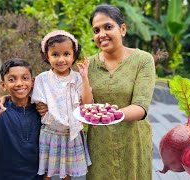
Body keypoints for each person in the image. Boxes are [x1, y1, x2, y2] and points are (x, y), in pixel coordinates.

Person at [86, 4, 156, 180]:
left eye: (108, 27)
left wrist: (108, 115)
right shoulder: (88, 65)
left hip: (133, 141)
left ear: (122, 29)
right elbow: (83, 105)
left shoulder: (143, 60)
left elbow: (141, 107)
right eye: (96, 30)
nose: (101, 34)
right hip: (100, 143)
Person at [31, 30, 92, 180]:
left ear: (74, 55)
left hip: (72, 133)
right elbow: (40, 105)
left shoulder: (78, 78)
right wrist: (40, 106)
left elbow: (86, 103)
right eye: (55, 54)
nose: (61, 59)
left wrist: (84, 77)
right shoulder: (42, 79)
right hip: (51, 133)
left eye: (66, 54)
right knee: (47, 172)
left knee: (67, 173)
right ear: (47, 56)